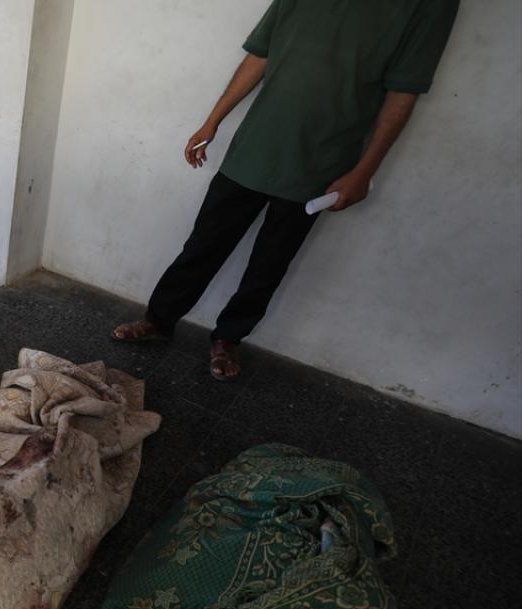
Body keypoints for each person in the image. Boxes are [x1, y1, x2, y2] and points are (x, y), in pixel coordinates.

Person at [112, 0, 459, 381]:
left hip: (322, 163)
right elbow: (259, 55)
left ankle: (229, 338)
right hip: (255, 148)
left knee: (270, 263)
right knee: (203, 245)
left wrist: (364, 171)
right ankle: (159, 320)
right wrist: (212, 121)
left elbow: (403, 92)